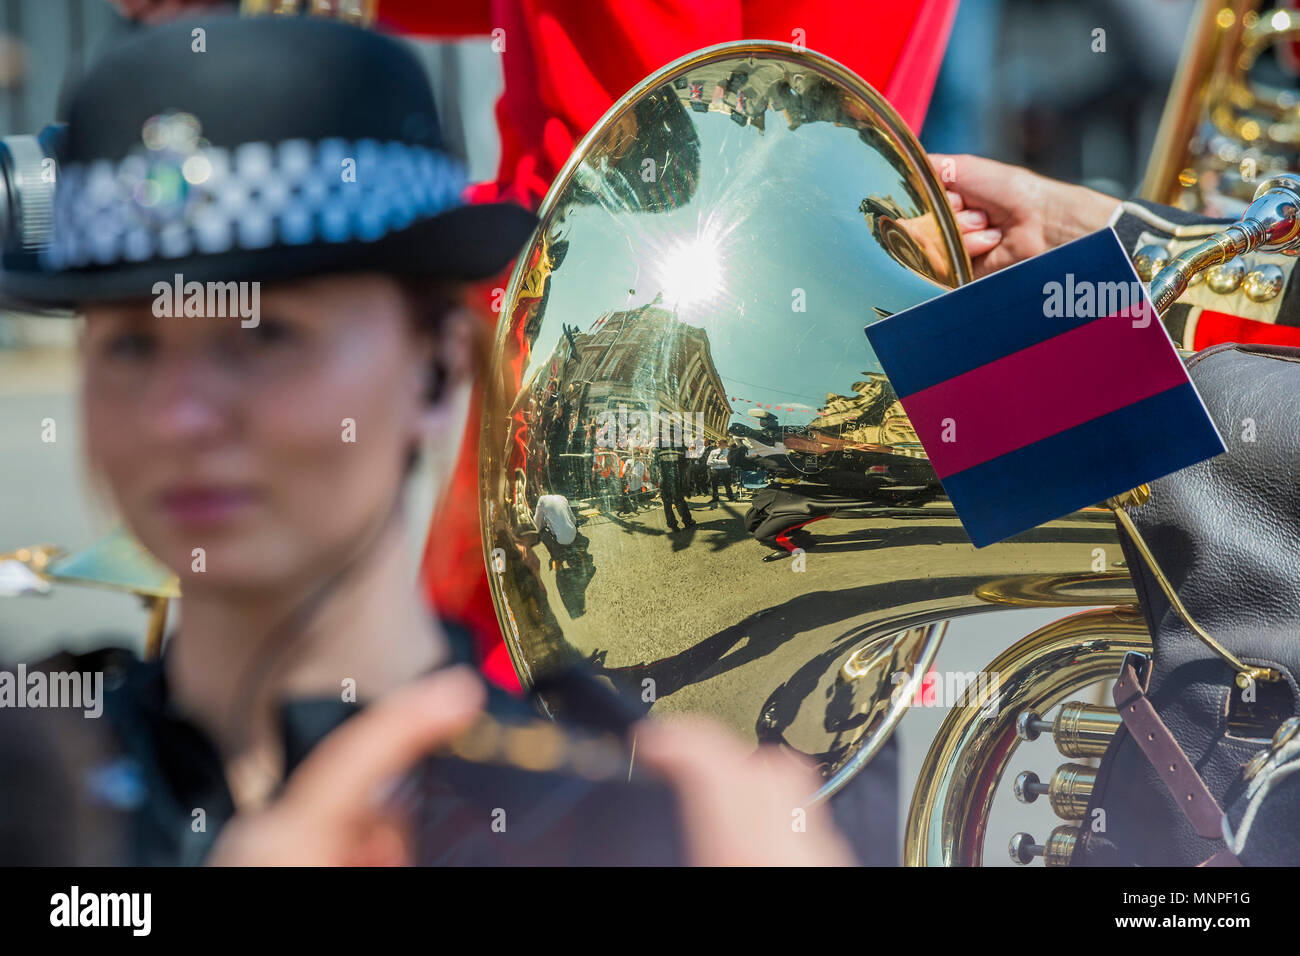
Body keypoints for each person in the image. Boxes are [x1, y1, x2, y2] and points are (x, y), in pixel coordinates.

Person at [0, 15, 850, 867]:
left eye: (265, 338)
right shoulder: (26, 773)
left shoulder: (638, 828)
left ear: (442, 363)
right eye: (129, 346)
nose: (178, 416)